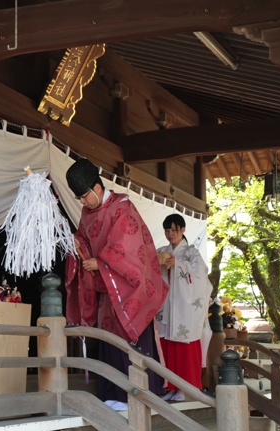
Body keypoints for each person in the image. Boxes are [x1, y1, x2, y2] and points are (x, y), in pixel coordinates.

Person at [65, 158, 169, 409]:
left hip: (130, 288)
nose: (82, 202)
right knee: (110, 340)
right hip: (108, 288)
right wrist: (78, 245)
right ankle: (113, 393)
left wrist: (100, 263)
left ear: (96, 188)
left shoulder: (123, 208)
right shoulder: (87, 213)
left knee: (130, 338)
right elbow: (85, 238)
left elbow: (128, 248)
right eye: (78, 198)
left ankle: (138, 395)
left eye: (83, 196)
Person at [156, 214, 213, 402]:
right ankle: (169, 387)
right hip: (166, 306)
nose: (170, 234)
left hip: (183, 309)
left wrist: (178, 264)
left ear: (183, 229)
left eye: (174, 230)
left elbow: (201, 275)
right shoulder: (161, 251)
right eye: (167, 230)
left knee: (183, 348)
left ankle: (182, 389)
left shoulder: (191, 253)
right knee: (166, 347)